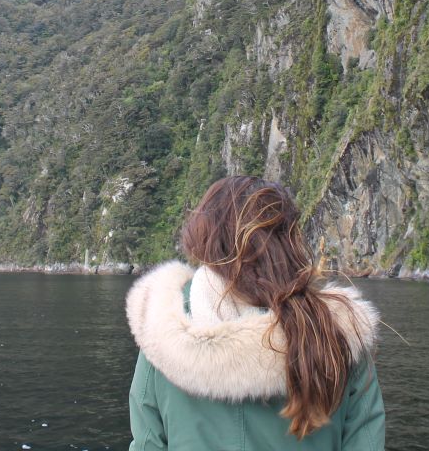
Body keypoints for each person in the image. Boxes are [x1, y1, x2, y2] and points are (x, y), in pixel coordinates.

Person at [125, 175, 386, 450]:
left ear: (204, 238)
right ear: (289, 240)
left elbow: (147, 443)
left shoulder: (164, 332)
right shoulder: (337, 336)